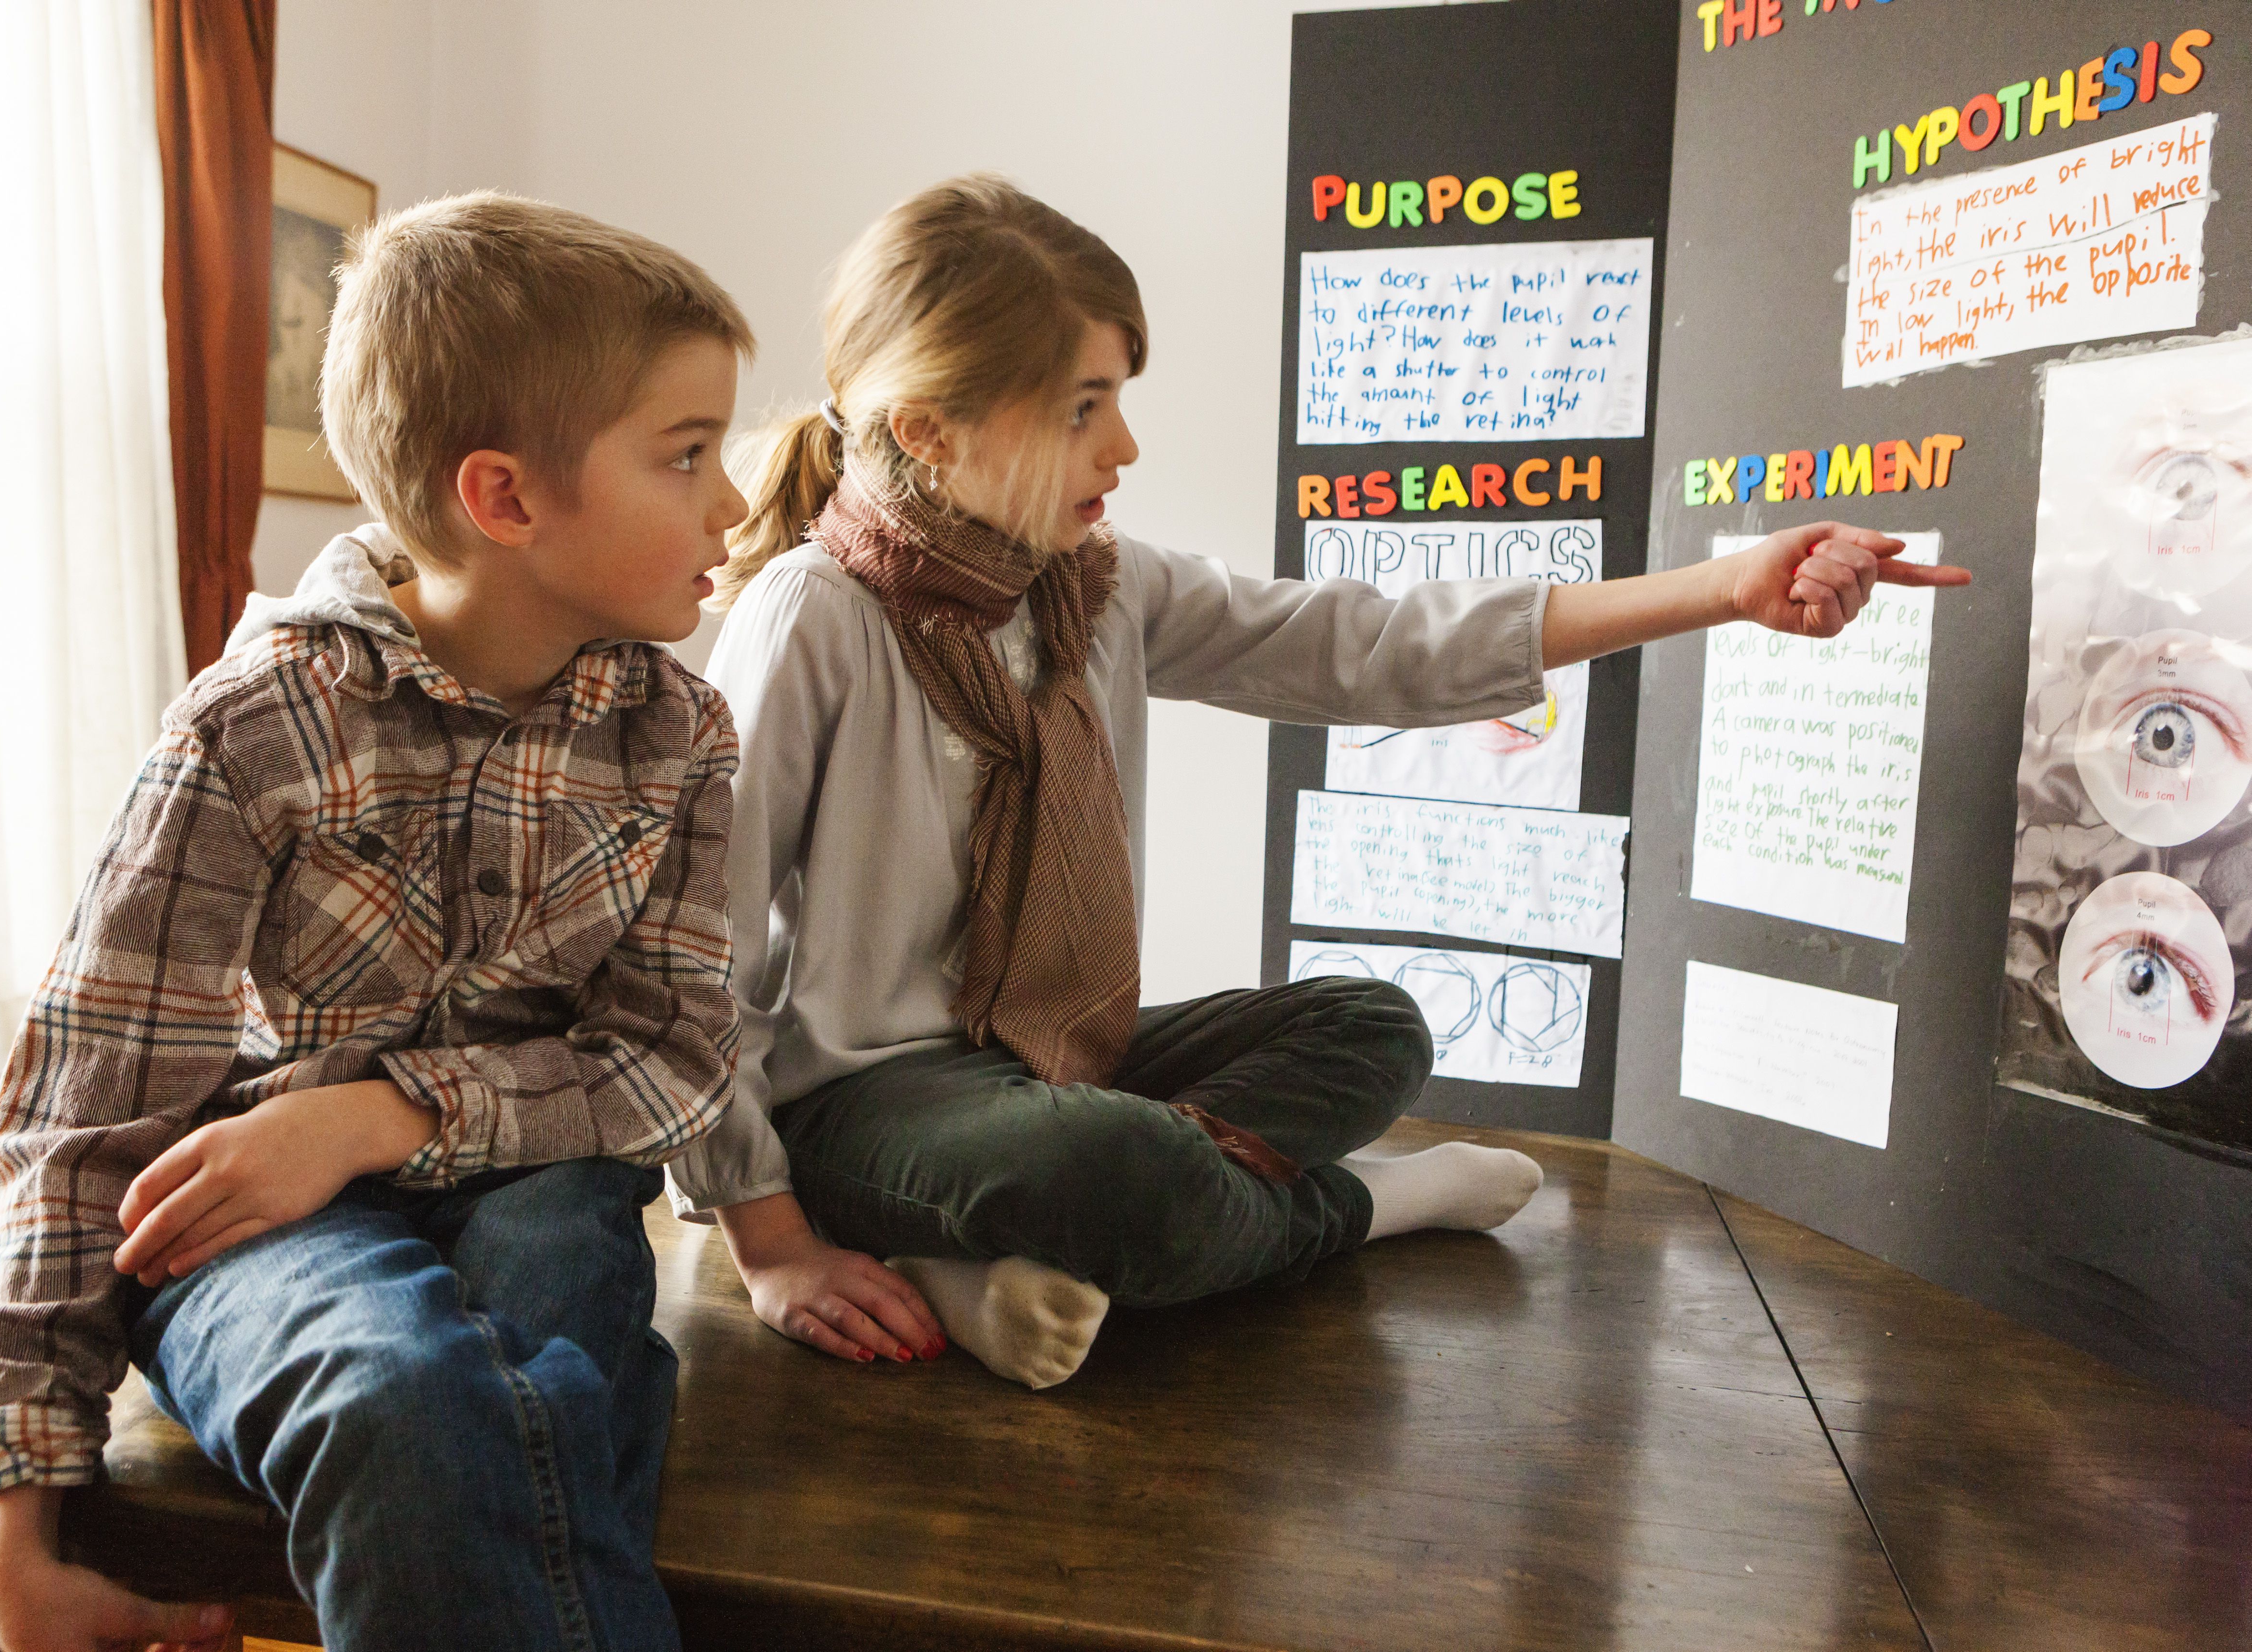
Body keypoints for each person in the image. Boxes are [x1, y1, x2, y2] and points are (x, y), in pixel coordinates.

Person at [670, 174, 1968, 1391]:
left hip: (1048, 1066)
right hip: (860, 1095)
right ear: (928, 432)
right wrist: (770, 1238)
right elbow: (690, 954)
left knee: (1371, 1026)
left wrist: (1721, 590)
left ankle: (1011, 1248)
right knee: (1111, 1157)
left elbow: (1375, 646)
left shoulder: (1097, 589)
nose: (1121, 444)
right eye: (1081, 406)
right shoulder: (811, 617)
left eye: (1118, 394)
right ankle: (1354, 1207)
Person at [0, 191, 755, 1652]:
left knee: (562, 1332)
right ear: (506, 499)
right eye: (687, 455)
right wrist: (14, 1516)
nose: (735, 503)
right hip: (253, 1229)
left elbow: (675, 1058)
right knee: (418, 1399)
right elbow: (80, 1122)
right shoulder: (252, 727)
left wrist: (376, 1118)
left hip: (528, 1187)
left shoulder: (681, 733)